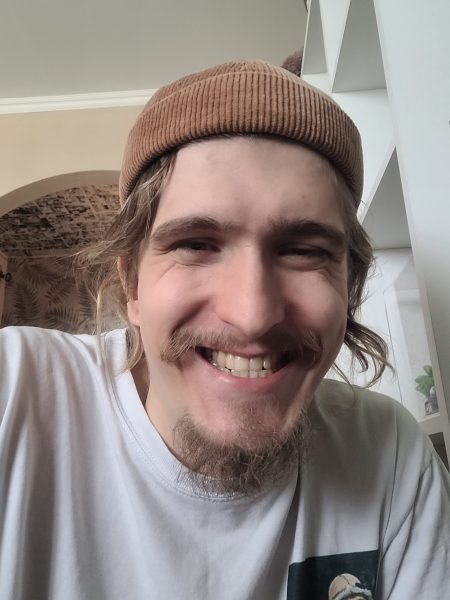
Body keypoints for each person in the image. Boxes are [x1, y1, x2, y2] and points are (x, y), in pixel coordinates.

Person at [1, 59, 449, 600]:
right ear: (131, 287)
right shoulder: (15, 393)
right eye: (195, 244)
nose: (253, 314)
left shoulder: (389, 452)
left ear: (348, 289)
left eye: (304, 251)